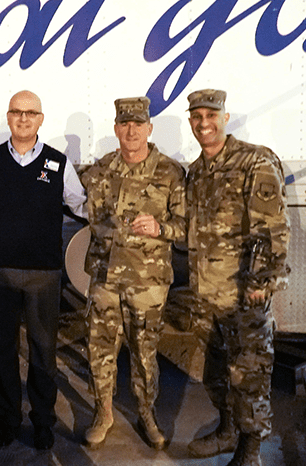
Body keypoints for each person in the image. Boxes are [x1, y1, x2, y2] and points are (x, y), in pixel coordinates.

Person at [184, 89, 290, 466]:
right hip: (206, 293)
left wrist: (261, 282)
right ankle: (228, 431)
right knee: (214, 373)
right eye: (196, 116)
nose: (203, 123)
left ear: (225, 117)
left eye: (210, 115)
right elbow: (188, 228)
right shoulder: (196, 172)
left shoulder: (253, 161)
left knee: (249, 377)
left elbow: (272, 228)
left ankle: (251, 449)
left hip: (244, 295)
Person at [0, 90, 86, 450]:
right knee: (4, 352)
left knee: (43, 351)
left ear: (41, 119)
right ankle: (7, 421)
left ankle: (43, 422)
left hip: (43, 274)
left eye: (31, 113)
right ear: (8, 118)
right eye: (16, 112)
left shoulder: (58, 163)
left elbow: (79, 205)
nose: (23, 119)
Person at [79, 96, 186, 450]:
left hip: (148, 282)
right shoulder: (100, 171)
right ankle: (104, 412)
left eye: (138, 124)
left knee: (145, 352)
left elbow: (186, 226)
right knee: (100, 349)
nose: (131, 131)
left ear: (149, 128)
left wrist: (160, 228)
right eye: (124, 124)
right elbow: (86, 214)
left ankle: (146, 413)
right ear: (115, 129)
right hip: (106, 279)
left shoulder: (170, 172)